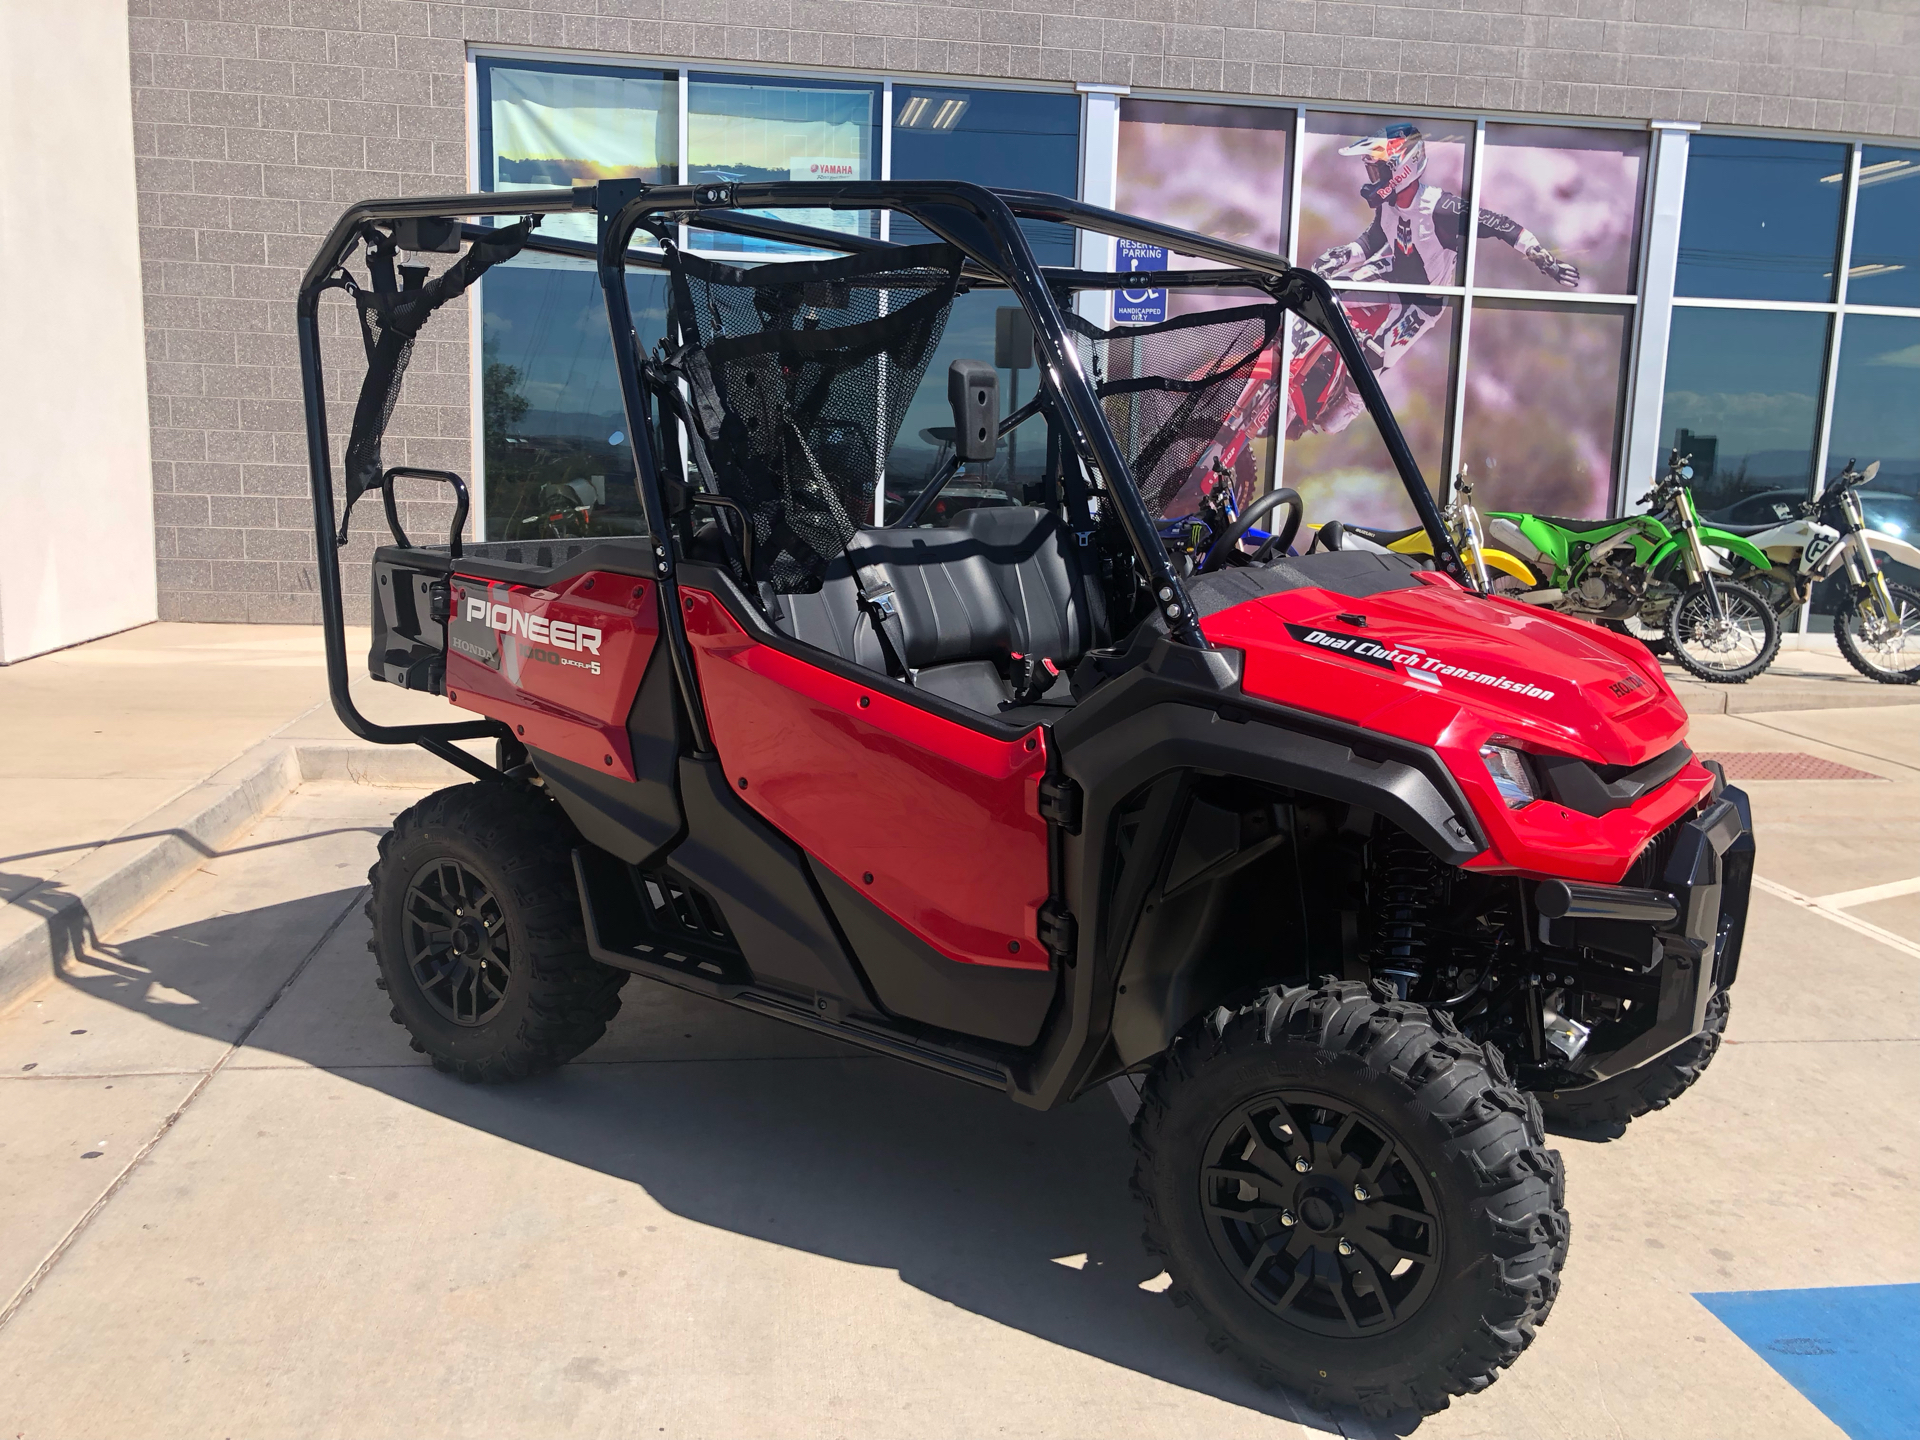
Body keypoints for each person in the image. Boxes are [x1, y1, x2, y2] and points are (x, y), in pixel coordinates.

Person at [1293, 122, 1580, 437]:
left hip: (1423, 303)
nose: (1372, 179)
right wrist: (1342, 255)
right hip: (1391, 274)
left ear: (1400, 168)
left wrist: (1543, 258)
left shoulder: (1440, 208)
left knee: (1374, 355)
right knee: (1329, 296)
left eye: (1378, 171)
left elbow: (1497, 223)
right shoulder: (1389, 203)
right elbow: (1373, 240)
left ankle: (1350, 403)